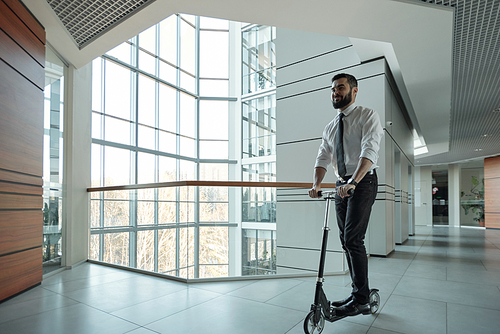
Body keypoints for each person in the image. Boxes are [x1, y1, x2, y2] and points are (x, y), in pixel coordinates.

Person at [308, 73, 383, 316]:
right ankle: (357, 294)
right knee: (345, 241)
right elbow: (323, 157)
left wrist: (353, 182)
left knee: (353, 239)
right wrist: (317, 184)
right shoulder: (330, 127)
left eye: (340, 87)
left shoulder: (367, 115)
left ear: (354, 90)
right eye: (333, 89)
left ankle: (361, 300)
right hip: (342, 185)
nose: (335, 92)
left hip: (362, 182)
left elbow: (369, 150)